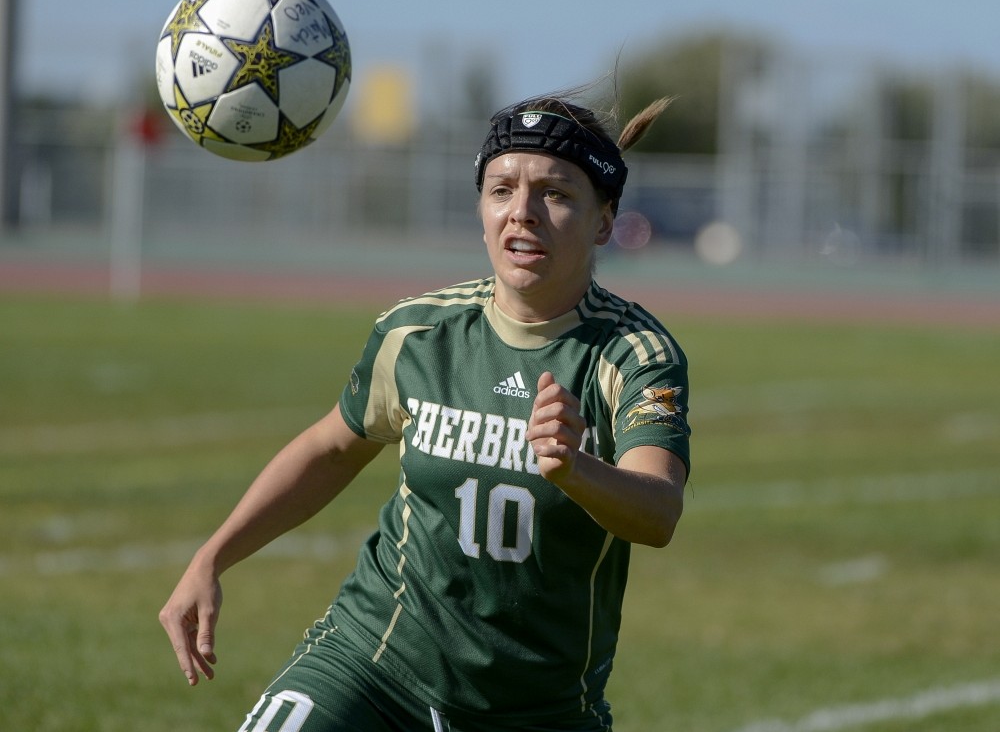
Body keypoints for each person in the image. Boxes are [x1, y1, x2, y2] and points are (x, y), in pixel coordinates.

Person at [159, 89, 692, 732]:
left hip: (537, 710)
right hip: (374, 662)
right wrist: (211, 558)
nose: (521, 214)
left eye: (555, 193)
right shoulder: (416, 332)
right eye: (501, 190)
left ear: (604, 221)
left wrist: (576, 470)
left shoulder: (634, 354)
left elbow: (659, 511)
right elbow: (331, 448)